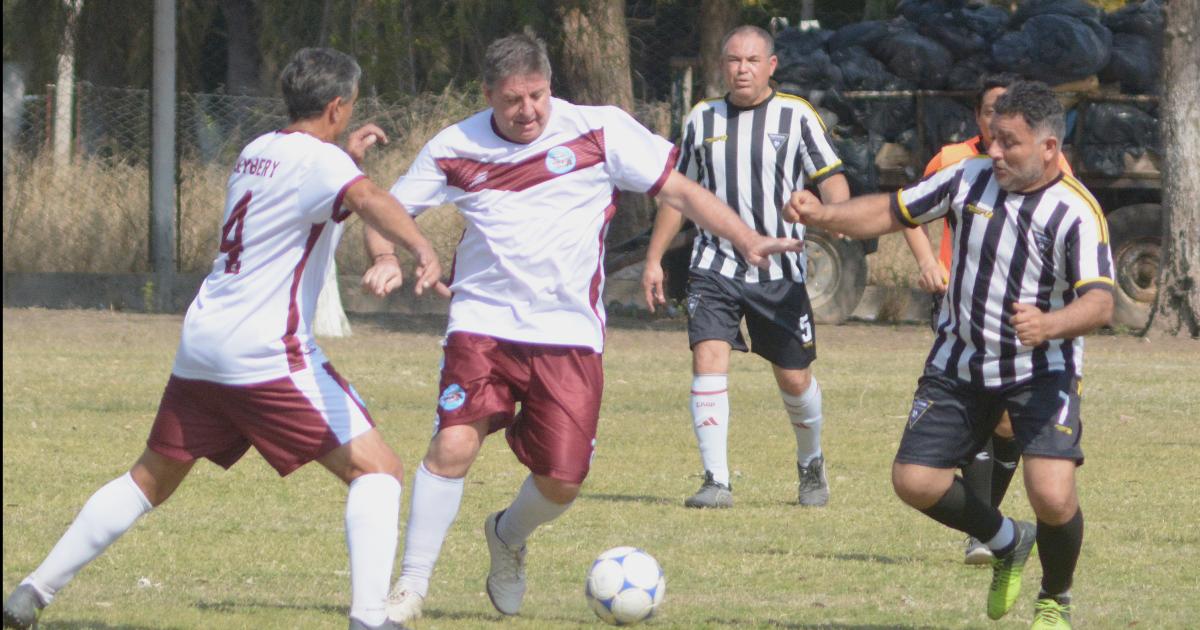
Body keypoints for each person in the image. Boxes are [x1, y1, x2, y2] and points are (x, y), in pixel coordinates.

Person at [359, 32, 802, 625]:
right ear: (489, 94)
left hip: (569, 335)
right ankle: (410, 587)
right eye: (512, 100)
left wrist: (746, 238)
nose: (527, 111)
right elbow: (381, 208)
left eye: (537, 96)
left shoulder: (599, 130)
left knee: (562, 481)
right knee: (453, 443)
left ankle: (507, 537)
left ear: (550, 86)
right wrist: (387, 256)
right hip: (483, 326)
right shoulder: (454, 146)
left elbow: (680, 190)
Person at [1, 48, 446, 630]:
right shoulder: (324, 165)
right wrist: (422, 247)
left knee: (149, 479)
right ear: (338, 107)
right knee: (379, 470)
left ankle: (31, 592)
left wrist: (343, 159)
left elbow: (309, 199)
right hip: (265, 354)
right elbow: (366, 199)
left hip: (203, 345)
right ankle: (369, 620)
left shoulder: (257, 150)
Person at [786, 81, 1113, 629]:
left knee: (1052, 495)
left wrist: (1050, 323)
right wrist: (823, 217)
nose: (994, 152)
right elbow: (891, 211)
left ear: (1049, 148)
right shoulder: (967, 178)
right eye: (992, 138)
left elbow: (1100, 303)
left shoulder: (1076, 211)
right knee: (914, 481)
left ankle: (1055, 599)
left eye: (1009, 143)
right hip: (958, 363)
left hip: (1042, 370)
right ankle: (1008, 541)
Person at [641, 25, 849, 509]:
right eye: (733, 60)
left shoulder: (797, 117)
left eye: (752, 60)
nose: (742, 69)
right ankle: (716, 480)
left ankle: (810, 461)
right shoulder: (701, 118)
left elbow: (831, 178)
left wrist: (836, 217)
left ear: (770, 66)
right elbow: (678, 194)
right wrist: (653, 258)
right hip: (714, 265)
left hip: (780, 272)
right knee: (708, 357)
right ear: (722, 65)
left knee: (794, 378)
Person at [902, 73, 1075, 565]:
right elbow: (907, 210)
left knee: (1003, 425)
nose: (995, 124)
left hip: (1023, 322)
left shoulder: (1047, 164)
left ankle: (993, 529)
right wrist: (926, 262)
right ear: (978, 116)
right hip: (961, 304)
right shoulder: (955, 161)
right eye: (988, 112)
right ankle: (987, 535)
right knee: (972, 418)